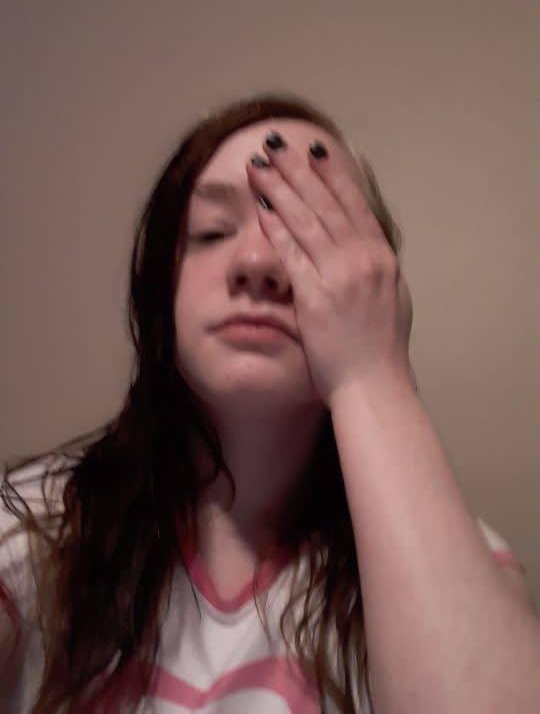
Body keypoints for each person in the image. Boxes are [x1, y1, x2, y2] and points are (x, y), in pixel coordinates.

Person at [1, 93, 538, 714]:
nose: (257, 263)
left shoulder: (459, 565)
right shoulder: (36, 527)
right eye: (211, 231)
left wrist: (370, 371)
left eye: (310, 237)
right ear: (161, 286)